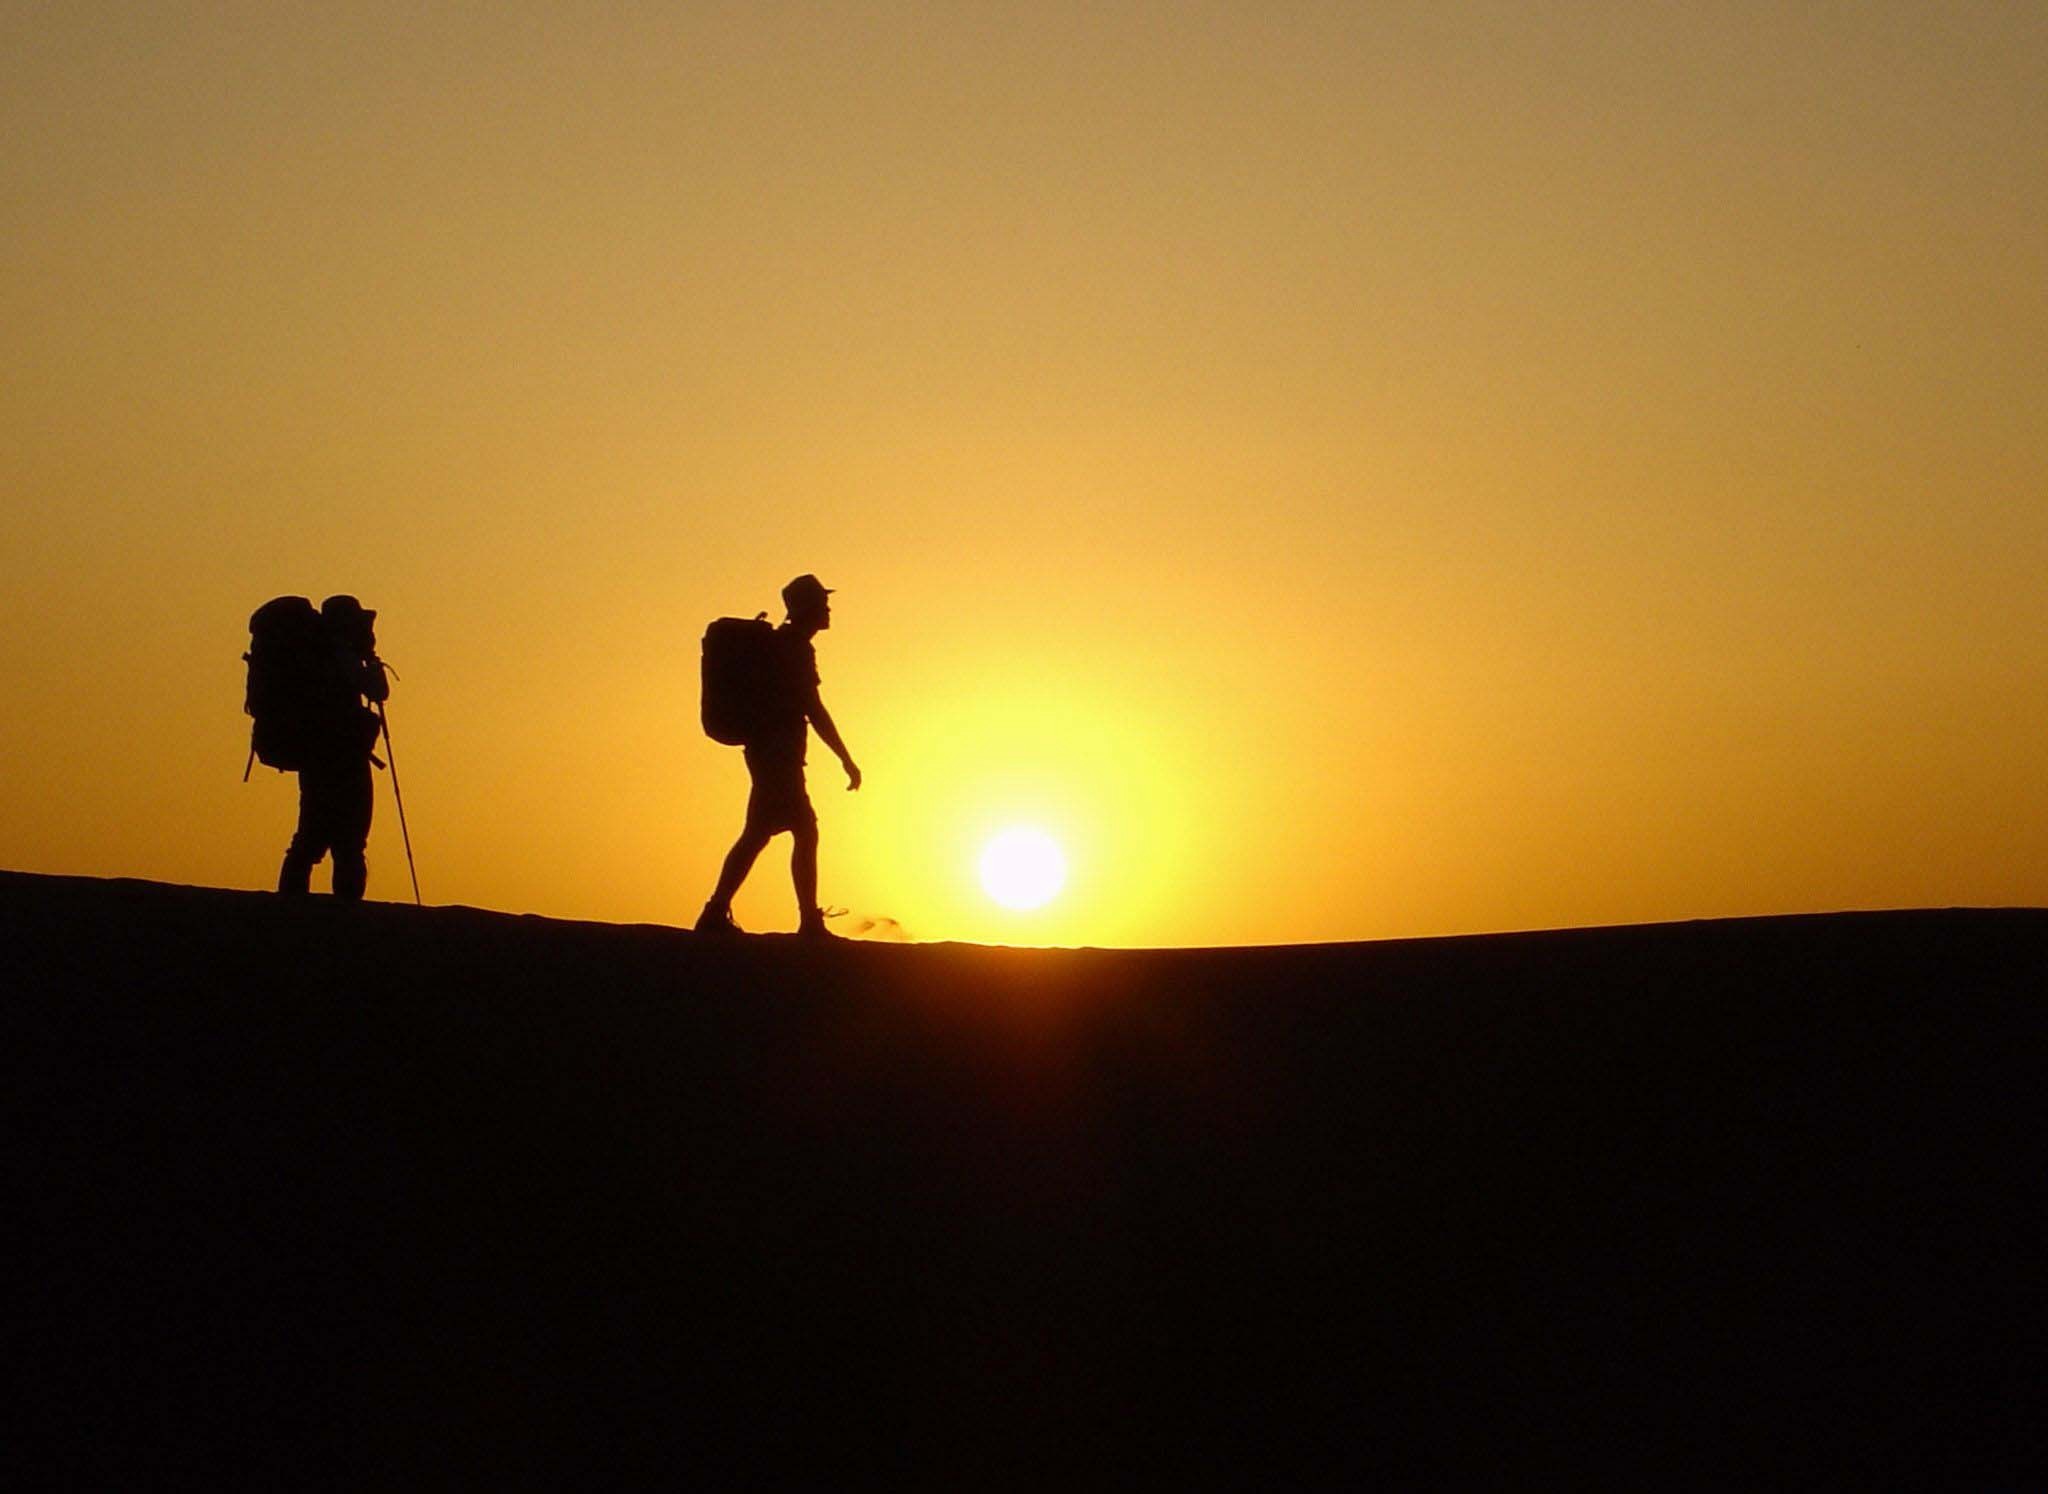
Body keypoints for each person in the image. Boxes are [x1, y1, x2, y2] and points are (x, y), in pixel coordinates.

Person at [696, 574, 861, 936]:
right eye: (822, 603)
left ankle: (717, 911)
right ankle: (807, 922)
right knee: (801, 830)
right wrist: (844, 758)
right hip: (776, 754)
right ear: (807, 608)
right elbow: (812, 708)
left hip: (772, 752)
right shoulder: (794, 649)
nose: (828, 609)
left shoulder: (788, 646)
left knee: (761, 833)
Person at [278, 595, 389, 899]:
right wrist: (371, 658)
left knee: (310, 837)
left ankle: (290, 907)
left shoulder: (312, 656)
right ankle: (345, 913)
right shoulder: (340, 655)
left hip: (317, 758)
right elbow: (379, 691)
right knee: (349, 842)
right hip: (345, 759)